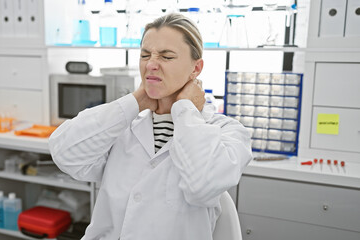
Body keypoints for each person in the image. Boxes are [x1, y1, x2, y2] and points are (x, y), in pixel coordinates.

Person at [49, 13, 252, 240]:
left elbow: (201, 186)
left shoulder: (228, 133)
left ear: (196, 68)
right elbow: (64, 153)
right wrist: (135, 101)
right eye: (145, 55)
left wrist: (185, 108)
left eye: (166, 57)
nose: (151, 65)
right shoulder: (123, 126)